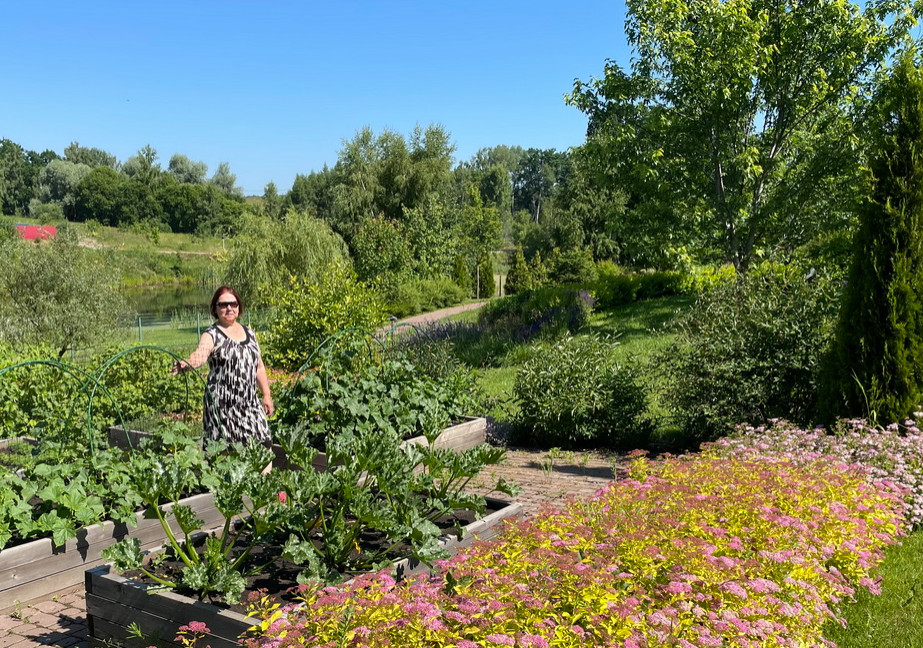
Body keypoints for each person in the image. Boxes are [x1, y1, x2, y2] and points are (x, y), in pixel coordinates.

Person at [171, 286, 273, 446]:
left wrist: (266, 394)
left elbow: (258, 367)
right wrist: (187, 364)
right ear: (215, 309)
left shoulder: (250, 333)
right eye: (223, 305)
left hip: (249, 403)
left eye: (233, 304)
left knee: (264, 445)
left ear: (239, 307)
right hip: (223, 407)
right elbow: (201, 354)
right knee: (226, 453)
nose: (229, 308)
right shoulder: (211, 334)